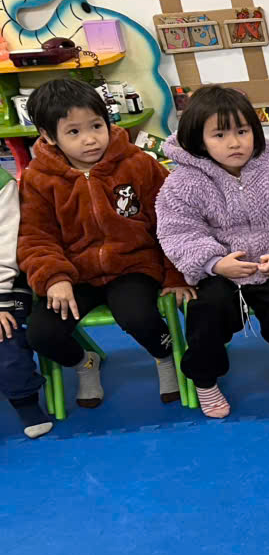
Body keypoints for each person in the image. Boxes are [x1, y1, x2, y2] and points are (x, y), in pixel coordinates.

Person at [18, 79, 194, 409]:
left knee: (138, 316)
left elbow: (173, 222)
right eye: (73, 132)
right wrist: (54, 277)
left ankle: (164, 355)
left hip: (133, 266)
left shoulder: (138, 163)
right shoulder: (38, 179)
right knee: (41, 333)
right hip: (74, 274)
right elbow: (35, 236)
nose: (89, 139)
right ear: (48, 136)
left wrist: (175, 274)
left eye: (96, 126)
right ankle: (86, 363)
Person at [156, 86, 269, 418]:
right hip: (220, 271)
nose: (234, 143)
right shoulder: (183, 182)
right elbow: (179, 231)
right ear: (199, 139)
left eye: (242, 131)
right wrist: (215, 263)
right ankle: (205, 381)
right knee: (206, 312)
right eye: (220, 135)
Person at [0, 168, 51, 438]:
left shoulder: (2, 184)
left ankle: (25, 401)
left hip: (6, 280)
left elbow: (6, 244)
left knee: (6, 337)